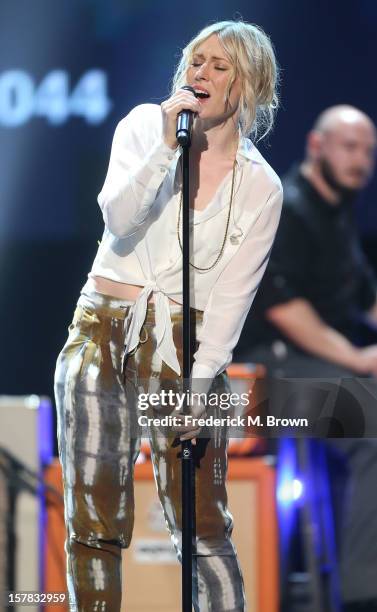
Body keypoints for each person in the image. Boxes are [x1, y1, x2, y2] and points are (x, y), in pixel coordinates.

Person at [54, 20, 283, 612]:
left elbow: (232, 300)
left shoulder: (261, 186)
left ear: (249, 85)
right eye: (194, 60)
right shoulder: (142, 126)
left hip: (185, 349)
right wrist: (164, 147)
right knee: (93, 518)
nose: (199, 72)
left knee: (202, 524)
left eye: (218, 65)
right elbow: (119, 220)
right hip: (102, 327)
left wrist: (202, 388)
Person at [234, 105, 377, 610]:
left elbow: (364, 299)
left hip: (313, 367)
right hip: (263, 378)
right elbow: (285, 308)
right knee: (372, 415)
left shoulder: (339, 216)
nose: (361, 160)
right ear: (317, 147)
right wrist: (359, 359)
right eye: (349, 147)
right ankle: (363, 595)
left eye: (368, 151)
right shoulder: (287, 206)